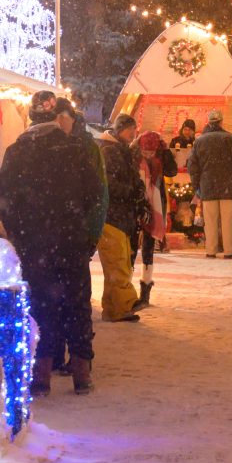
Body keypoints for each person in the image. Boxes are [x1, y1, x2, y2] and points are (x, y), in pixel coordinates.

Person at [0, 91, 103, 395]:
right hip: (71, 238)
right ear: (58, 118)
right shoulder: (75, 149)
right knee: (77, 302)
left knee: (41, 304)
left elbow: (6, 200)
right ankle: (82, 371)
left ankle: (41, 372)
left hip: (35, 244)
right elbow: (94, 193)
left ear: (31, 118)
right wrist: (73, 216)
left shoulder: (17, 151)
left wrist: (20, 233)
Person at [98, 115, 147, 322]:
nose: (133, 134)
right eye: (129, 129)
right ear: (119, 129)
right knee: (118, 263)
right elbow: (109, 183)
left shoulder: (122, 151)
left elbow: (130, 178)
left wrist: (138, 189)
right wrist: (131, 191)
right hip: (113, 215)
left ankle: (113, 307)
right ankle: (122, 306)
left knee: (118, 262)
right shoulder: (110, 152)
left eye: (134, 130)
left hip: (121, 215)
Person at [187, 112, 232, 259]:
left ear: (208, 122)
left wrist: (197, 186)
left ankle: (211, 250)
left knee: (210, 221)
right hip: (228, 185)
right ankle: (229, 251)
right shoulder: (231, 138)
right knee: (228, 220)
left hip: (207, 185)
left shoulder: (199, 141)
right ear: (221, 122)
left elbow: (192, 166)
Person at [132, 127, 176, 306]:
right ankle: (125, 288)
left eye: (151, 151)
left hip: (156, 205)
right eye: (145, 151)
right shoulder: (133, 156)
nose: (148, 155)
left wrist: (166, 153)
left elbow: (172, 171)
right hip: (136, 204)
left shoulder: (162, 157)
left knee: (149, 248)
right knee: (132, 248)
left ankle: (145, 288)